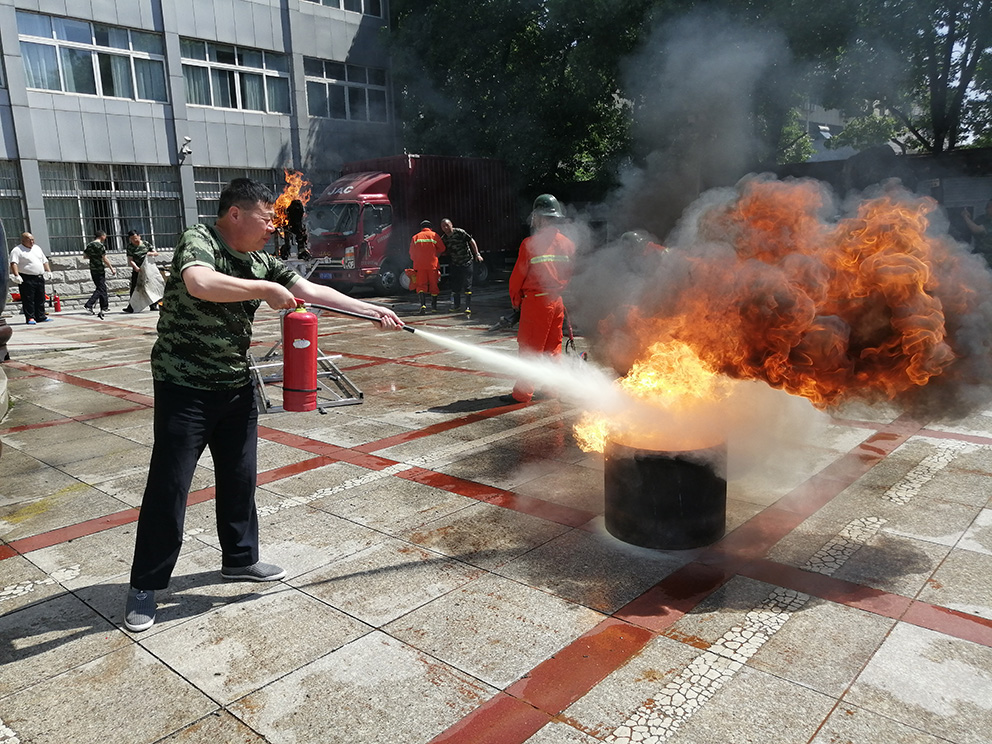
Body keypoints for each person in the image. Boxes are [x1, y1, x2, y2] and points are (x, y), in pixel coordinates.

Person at [123, 178, 403, 632]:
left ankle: (239, 559)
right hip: (184, 387)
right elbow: (199, 283)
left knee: (240, 477)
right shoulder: (200, 239)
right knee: (169, 486)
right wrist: (262, 290)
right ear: (235, 214)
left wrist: (371, 310)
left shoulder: (262, 261)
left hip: (235, 384)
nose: (274, 226)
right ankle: (145, 585)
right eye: (266, 217)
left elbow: (310, 290)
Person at [500, 194, 575, 404]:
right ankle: (552, 388)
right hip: (557, 301)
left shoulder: (530, 244)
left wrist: (516, 302)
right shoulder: (568, 244)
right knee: (553, 348)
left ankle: (522, 393)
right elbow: (570, 272)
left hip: (537, 302)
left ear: (540, 217)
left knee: (529, 348)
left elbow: (518, 277)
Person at [440, 218, 483, 315]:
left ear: (451, 224)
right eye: (443, 226)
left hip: (467, 261)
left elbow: (471, 241)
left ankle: (468, 307)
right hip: (456, 264)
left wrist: (477, 254)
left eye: (447, 225)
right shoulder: (444, 238)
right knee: (455, 286)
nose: (445, 228)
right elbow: (440, 250)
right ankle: (456, 306)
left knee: (467, 285)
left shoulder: (459, 232)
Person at [9, 232, 53, 325]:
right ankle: (30, 317)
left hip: (39, 277)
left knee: (40, 298)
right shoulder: (17, 250)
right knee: (28, 299)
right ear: (23, 241)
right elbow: (14, 263)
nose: (32, 242)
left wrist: (48, 271)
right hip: (27, 278)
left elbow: (44, 261)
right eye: (29, 240)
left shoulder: (37, 248)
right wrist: (16, 275)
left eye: (33, 240)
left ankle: (40, 316)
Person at [408, 219, 445, 314]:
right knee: (434, 285)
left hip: (420, 266)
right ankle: (434, 307)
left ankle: (423, 305)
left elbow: (411, 253)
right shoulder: (434, 235)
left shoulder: (415, 237)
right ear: (430, 227)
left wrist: (417, 260)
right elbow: (442, 248)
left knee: (421, 285)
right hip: (432, 265)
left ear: (421, 228)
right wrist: (435, 255)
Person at [122, 229, 159, 313]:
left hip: (148, 269)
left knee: (150, 286)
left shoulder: (145, 244)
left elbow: (156, 253)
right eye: (132, 239)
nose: (134, 240)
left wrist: (151, 253)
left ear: (139, 236)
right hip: (137, 269)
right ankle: (131, 307)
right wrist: (136, 267)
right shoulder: (130, 247)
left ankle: (153, 305)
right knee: (135, 287)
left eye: (135, 238)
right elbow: (130, 260)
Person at [82, 230, 116, 319]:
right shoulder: (100, 246)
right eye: (105, 236)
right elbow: (104, 258)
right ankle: (89, 304)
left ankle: (104, 306)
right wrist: (111, 268)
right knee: (101, 288)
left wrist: (93, 257)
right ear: (102, 236)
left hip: (93, 269)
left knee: (102, 287)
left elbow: (85, 256)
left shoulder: (89, 245)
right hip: (99, 269)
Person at [961, 200, 992, 266]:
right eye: (987, 207)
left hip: (989, 257)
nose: (987, 209)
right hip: (979, 254)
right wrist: (969, 218)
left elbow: (976, 230)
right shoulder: (982, 218)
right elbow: (971, 227)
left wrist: (965, 217)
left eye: (990, 207)